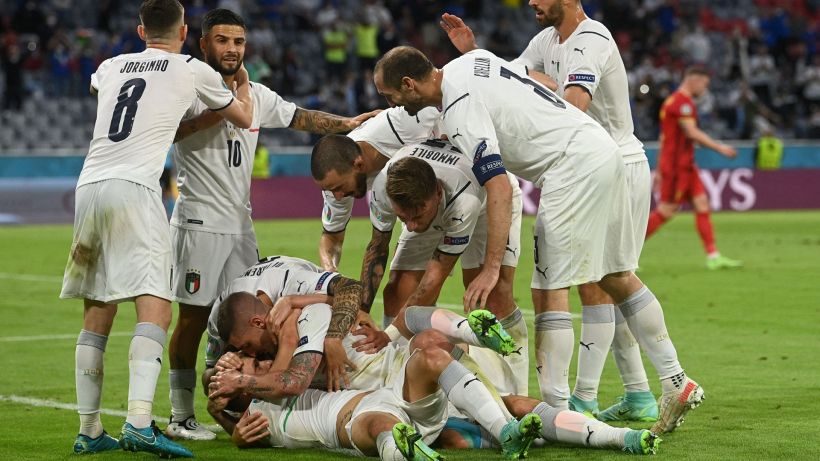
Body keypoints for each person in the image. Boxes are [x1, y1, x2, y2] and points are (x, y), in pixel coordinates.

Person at [373, 45, 704, 434]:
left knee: (549, 290)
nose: (391, 103)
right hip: (598, 149)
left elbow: (496, 184)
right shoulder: (467, 62)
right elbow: (519, 77)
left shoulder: (459, 108)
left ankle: (560, 413)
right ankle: (676, 380)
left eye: (389, 95)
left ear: (409, 84)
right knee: (614, 274)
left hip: (569, 166)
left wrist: (492, 267)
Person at [165, 8, 376, 441]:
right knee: (193, 318)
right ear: (203, 45)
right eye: (222, 41)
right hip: (199, 221)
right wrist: (229, 106)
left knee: (243, 320)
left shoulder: (256, 94)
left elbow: (300, 117)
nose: (231, 49)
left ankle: (238, 399)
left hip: (240, 224)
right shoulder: (188, 91)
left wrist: (349, 124)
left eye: (238, 42)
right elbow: (173, 133)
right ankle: (180, 412)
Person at [440, 0, 657, 421]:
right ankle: (638, 393)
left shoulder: (590, 39)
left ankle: (587, 398)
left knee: (601, 281)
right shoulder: (545, 39)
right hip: (586, 162)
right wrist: (473, 56)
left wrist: (540, 89)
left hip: (609, 160)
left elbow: (573, 106)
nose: (531, 2)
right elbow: (510, 80)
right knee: (604, 280)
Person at [59, 0, 254, 457]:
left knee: (99, 310)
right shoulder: (191, 68)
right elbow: (243, 118)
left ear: (141, 29)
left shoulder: (110, 65)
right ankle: (140, 424)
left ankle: (89, 431)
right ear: (185, 32)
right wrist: (242, 85)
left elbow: (116, 98)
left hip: (89, 185)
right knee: (157, 310)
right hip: (135, 188)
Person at [209, 292, 544, 460]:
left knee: (430, 347)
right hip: (372, 401)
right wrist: (226, 415)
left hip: (391, 380)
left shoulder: (290, 333)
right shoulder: (262, 402)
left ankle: (509, 426)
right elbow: (283, 385)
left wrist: (235, 382)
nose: (251, 356)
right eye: (244, 359)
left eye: (244, 351)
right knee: (411, 429)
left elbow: (348, 292)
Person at [212, 355, 447, 461]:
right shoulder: (257, 413)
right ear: (239, 388)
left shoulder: (279, 380)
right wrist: (227, 423)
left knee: (429, 357)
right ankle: (399, 451)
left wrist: (221, 415)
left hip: (390, 395)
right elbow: (243, 428)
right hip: (353, 420)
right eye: (254, 364)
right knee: (380, 425)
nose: (265, 361)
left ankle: (485, 420)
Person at [646, 66, 742, 270]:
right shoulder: (682, 103)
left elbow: (663, 139)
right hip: (676, 167)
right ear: (694, 79)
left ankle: (713, 256)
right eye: (705, 84)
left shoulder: (673, 101)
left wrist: (657, 168)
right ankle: (625, 255)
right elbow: (691, 132)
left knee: (702, 204)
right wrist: (720, 147)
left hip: (686, 166)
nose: (705, 89)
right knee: (666, 210)